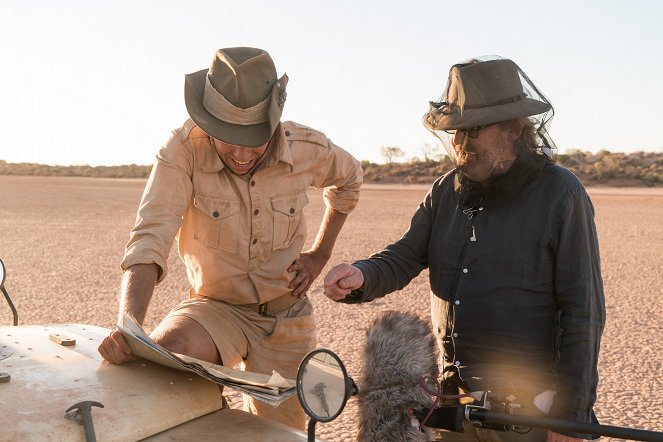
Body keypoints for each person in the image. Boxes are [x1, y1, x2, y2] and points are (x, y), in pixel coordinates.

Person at [324, 56, 605, 441]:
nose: (458, 143)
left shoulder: (561, 194)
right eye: (455, 130)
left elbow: (583, 312)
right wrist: (361, 276)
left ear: (513, 128)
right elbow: (405, 255)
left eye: (471, 130)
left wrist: (570, 417)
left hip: (530, 412)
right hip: (454, 403)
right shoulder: (445, 191)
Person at [98, 47, 363, 430]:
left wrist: (319, 255)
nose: (239, 153)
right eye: (226, 137)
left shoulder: (308, 147)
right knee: (160, 367)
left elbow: (350, 180)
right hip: (215, 308)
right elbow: (150, 235)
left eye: (251, 138)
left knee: (281, 433)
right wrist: (130, 329)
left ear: (274, 120)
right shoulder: (182, 149)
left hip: (285, 315)